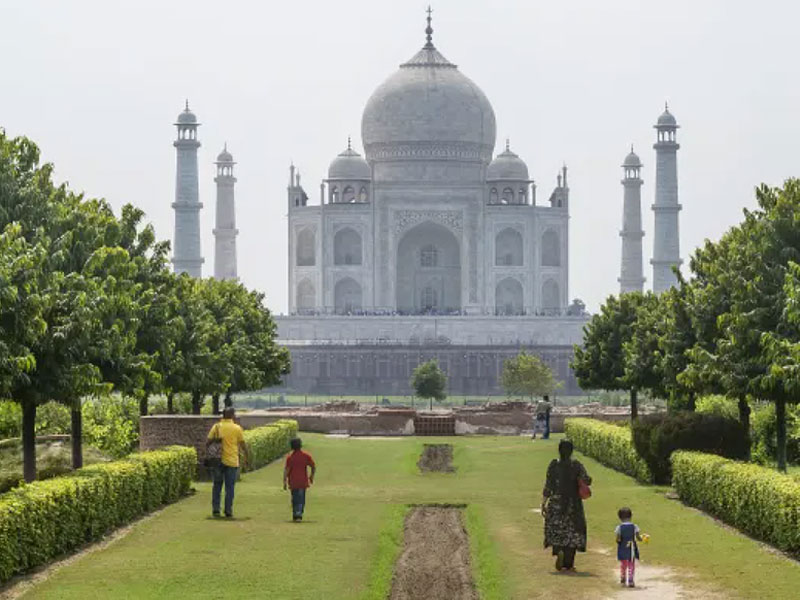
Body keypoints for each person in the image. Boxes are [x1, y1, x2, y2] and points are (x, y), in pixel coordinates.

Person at [542, 439, 592, 571]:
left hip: (556, 503)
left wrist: (543, 503)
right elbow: (587, 480)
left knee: (558, 531)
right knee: (573, 533)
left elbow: (548, 485)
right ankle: (568, 564)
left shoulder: (553, 465)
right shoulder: (576, 465)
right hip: (573, 504)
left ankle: (558, 551)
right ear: (571, 451)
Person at [206, 407, 248, 518]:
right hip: (232, 460)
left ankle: (216, 510)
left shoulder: (216, 427)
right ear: (232, 415)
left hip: (217, 460)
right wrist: (247, 457)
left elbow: (208, 442)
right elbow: (242, 444)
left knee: (217, 486)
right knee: (230, 488)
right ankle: (228, 510)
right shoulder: (237, 428)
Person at [284, 437, 316, 522]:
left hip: (293, 482)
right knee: (301, 498)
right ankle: (299, 513)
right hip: (302, 481)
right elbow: (313, 466)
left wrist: (284, 481)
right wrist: (311, 476)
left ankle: (295, 513)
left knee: (294, 498)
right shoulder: (306, 456)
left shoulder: (290, 457)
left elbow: (287, 470)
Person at [615, 507, 643, 587]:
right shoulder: (635, 526)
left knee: (623, 563)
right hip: (632, 548)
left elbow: (618, 538)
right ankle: (631, 580)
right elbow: (638, 538)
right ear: (631, 516)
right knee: (631, 564)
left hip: (623, 547)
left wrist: (618, 541)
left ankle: (623, 577)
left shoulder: (619, 527)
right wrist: (642, 538)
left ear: (620, 517)